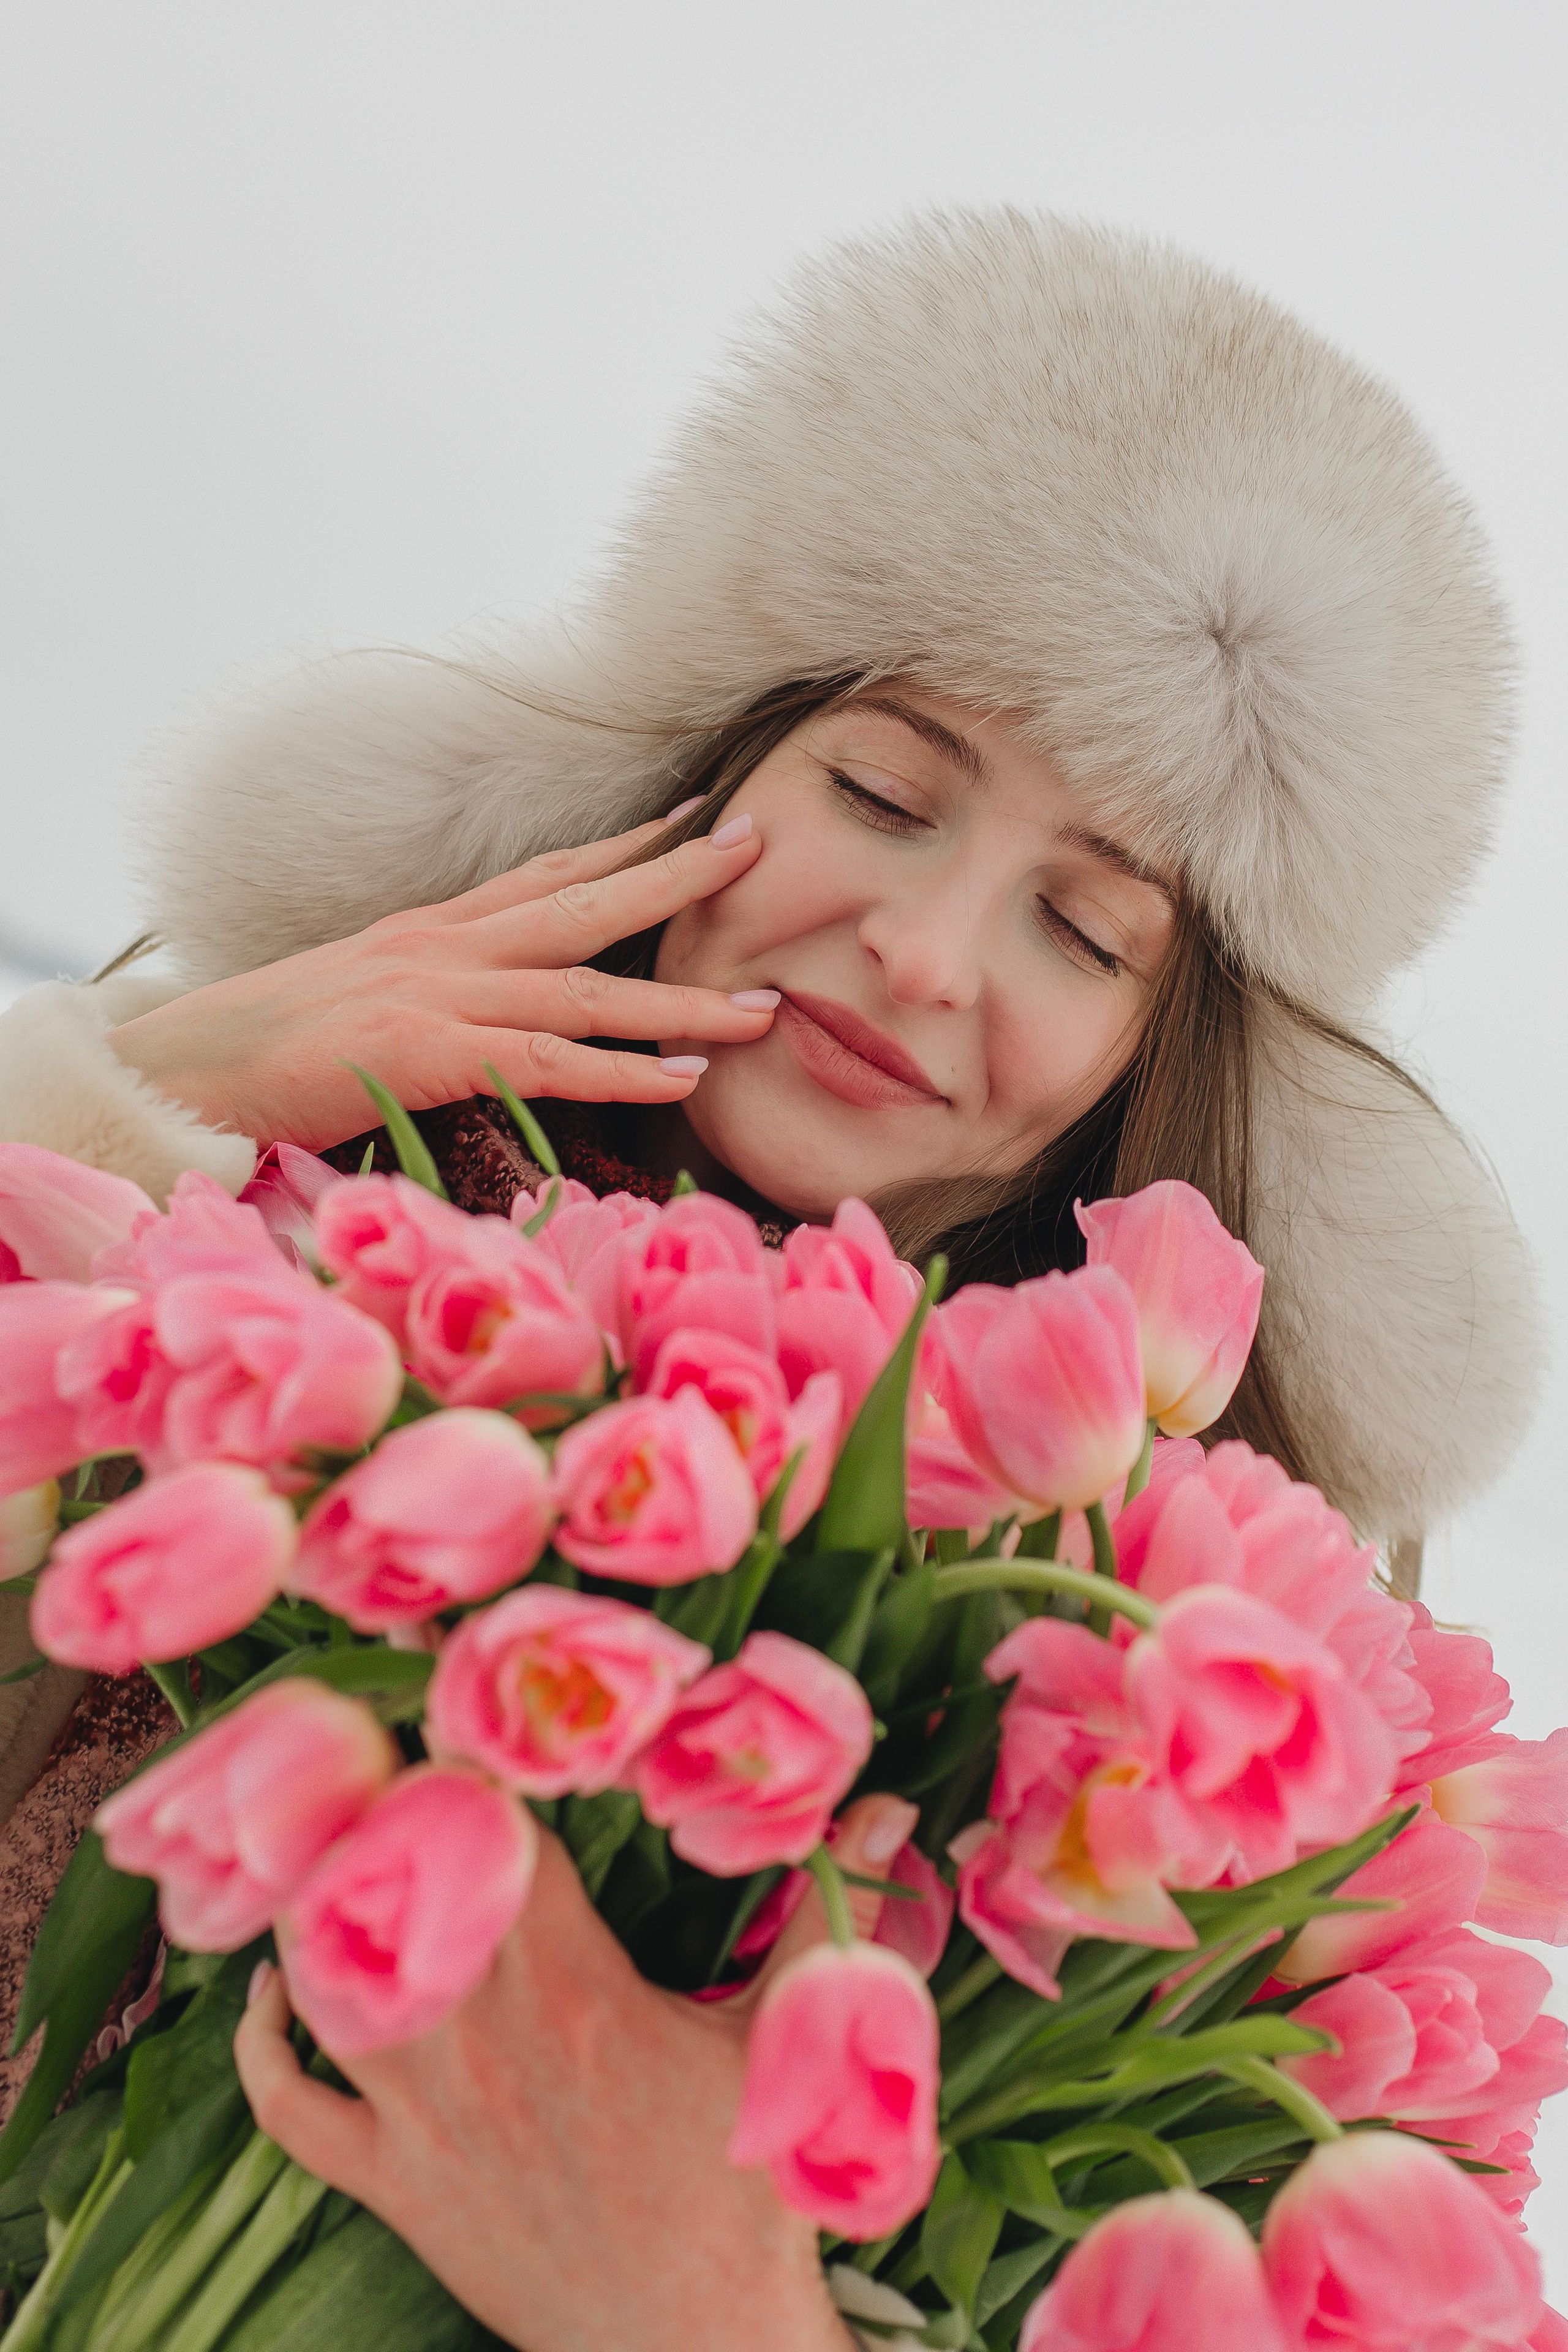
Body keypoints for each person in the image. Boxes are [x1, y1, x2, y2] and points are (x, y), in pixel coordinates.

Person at [0, 211, 1544, 2347]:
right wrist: (151, 1082)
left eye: (1085, 932)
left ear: (1147, 1075)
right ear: (709, 762)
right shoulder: (228, 1197)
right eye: (887, 790)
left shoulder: (1156, 1656)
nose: (926, 952)